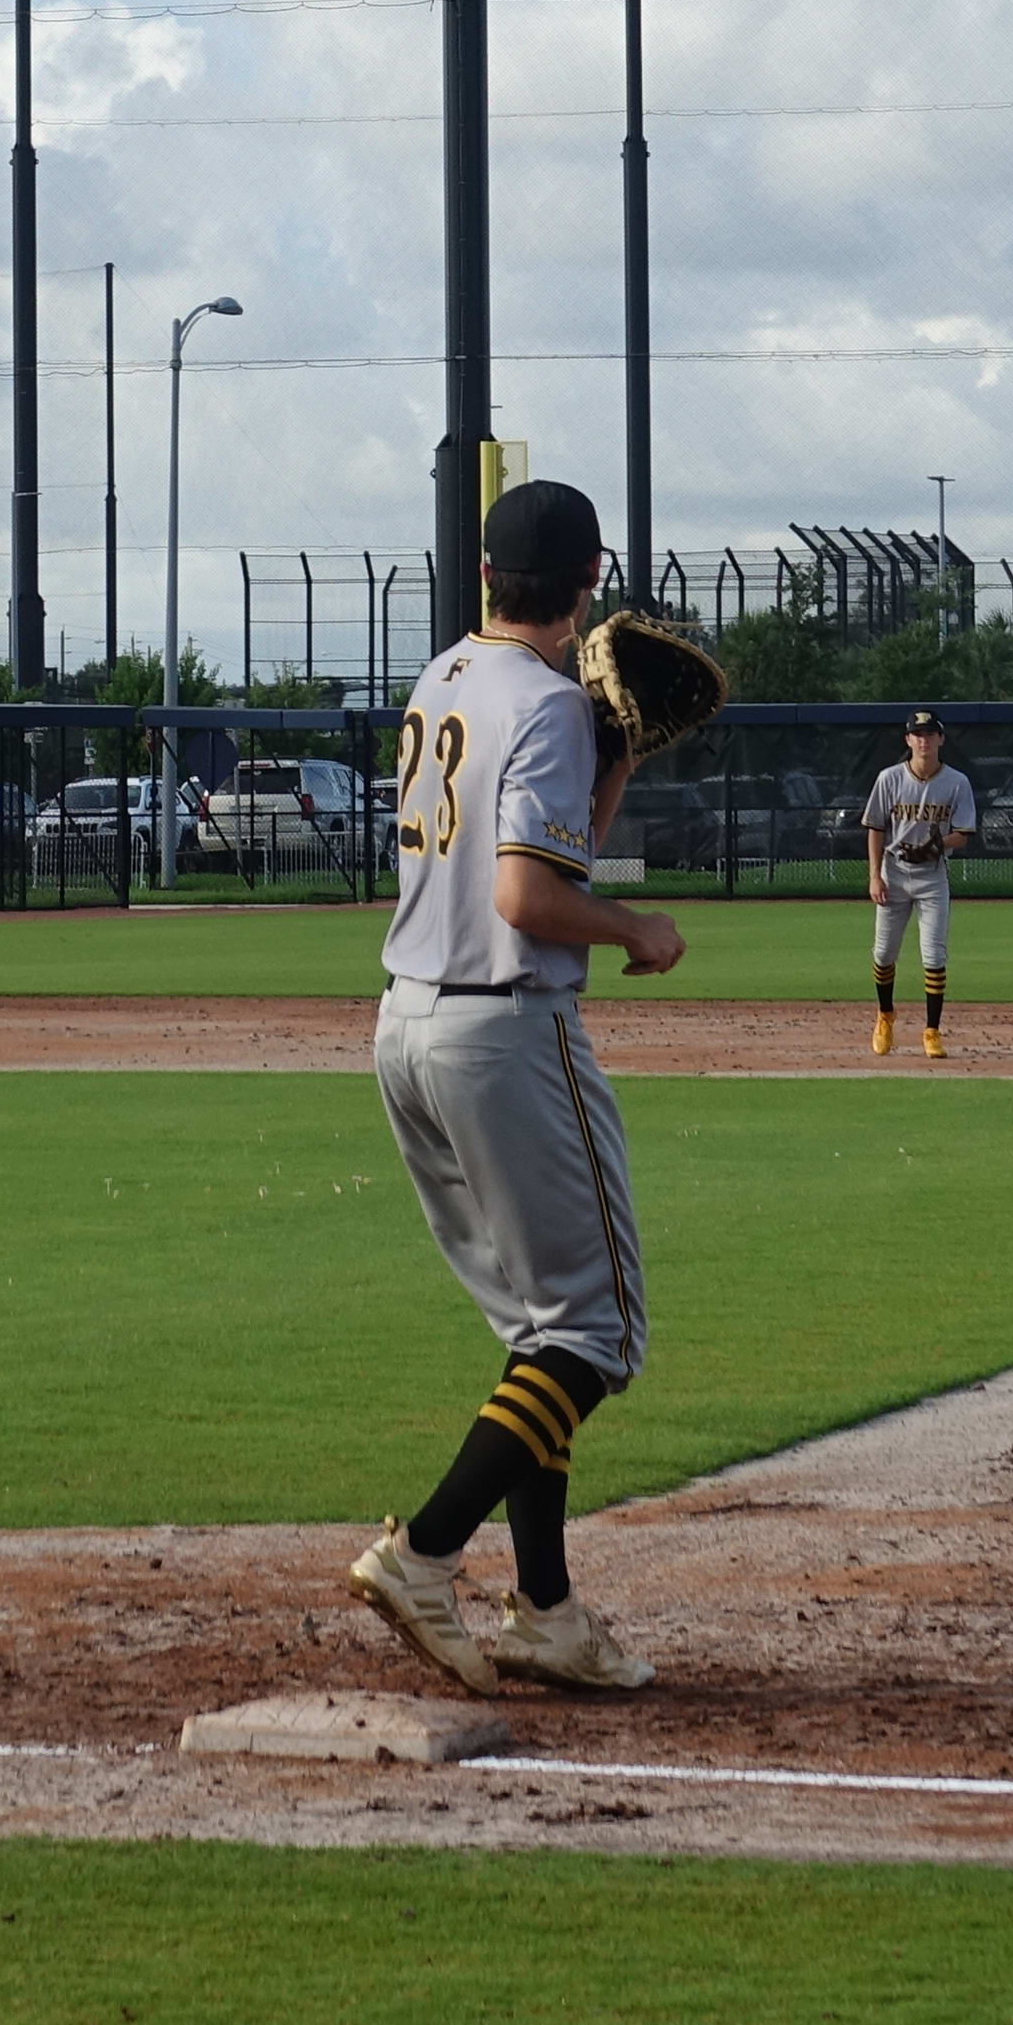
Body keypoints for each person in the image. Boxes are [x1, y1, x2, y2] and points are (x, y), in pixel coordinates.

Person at [346, 478, 688, 1700]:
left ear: (487, 578)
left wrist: (617, 760)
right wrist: (636, 929)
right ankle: (427, 1554)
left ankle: (546, 1612)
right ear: (590, 584)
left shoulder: (444, 678)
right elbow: (533, 900)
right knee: (596, 1337)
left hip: (406, 1029)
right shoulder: (544, 705)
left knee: (537, 1332)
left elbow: (542, 849)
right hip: (503, 1032)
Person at [856, 711, 976, 1059]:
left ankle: (932, 1031)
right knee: (883, 953)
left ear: (941, 739)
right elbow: (876, 828)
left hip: (932, 876)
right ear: (907, 741)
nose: (923, 740)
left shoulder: (956, 782)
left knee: (934, 954)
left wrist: (939, 844)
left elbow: (964, 834)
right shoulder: (890, 779)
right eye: (917, 734)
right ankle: (885, 1016)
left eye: (929, 734)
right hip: (894, 872)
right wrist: (874, 876)